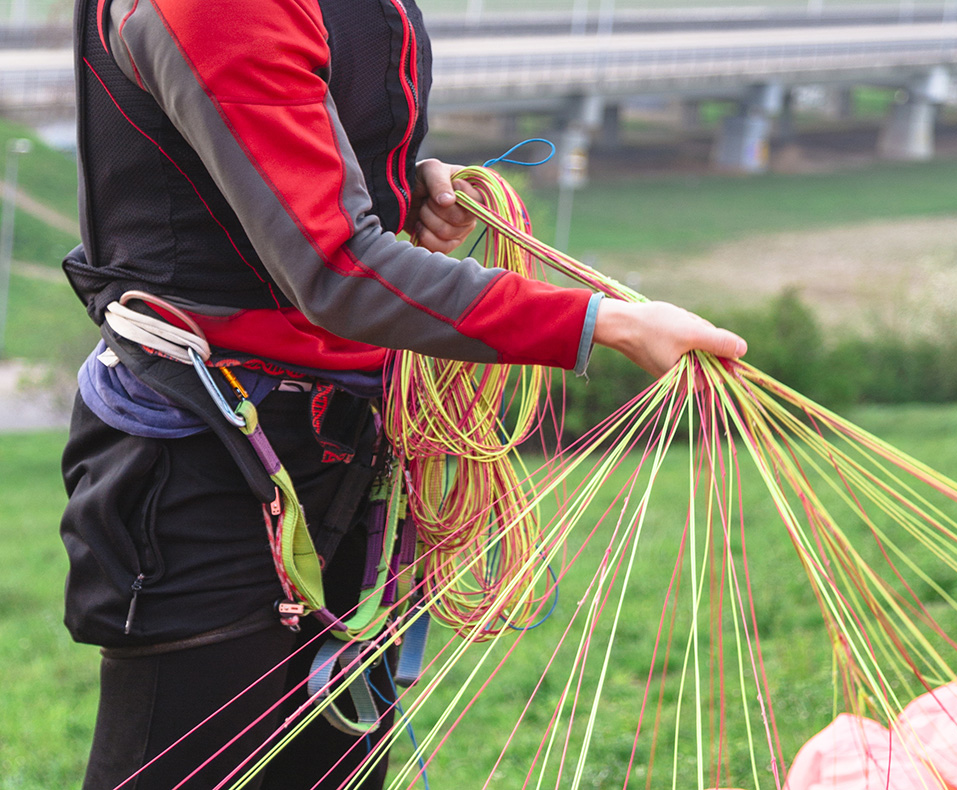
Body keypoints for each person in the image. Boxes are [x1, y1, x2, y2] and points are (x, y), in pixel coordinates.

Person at [60, 0, 747, 788]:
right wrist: (604, 323)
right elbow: (337, 271)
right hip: (206, 462)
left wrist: (386, 185)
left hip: (347, 445)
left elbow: (284, 142)